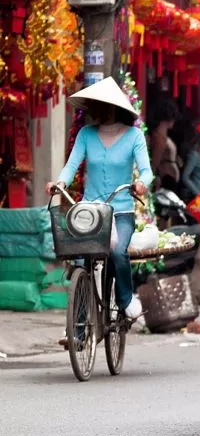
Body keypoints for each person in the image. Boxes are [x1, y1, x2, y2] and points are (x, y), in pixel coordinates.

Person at [47, 77, 152, 320]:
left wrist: (141, 184)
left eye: (103, 105)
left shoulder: (134, 136)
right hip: (90, 213)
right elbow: (72, 165)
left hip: (121, 211)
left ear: (115, 107)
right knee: (80, 259)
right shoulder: (86, 134)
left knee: (118, 254)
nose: (98, 110)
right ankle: (80, 324)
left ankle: (125, 299)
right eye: (95, 105)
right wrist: (60, 183)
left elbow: (146, 171)